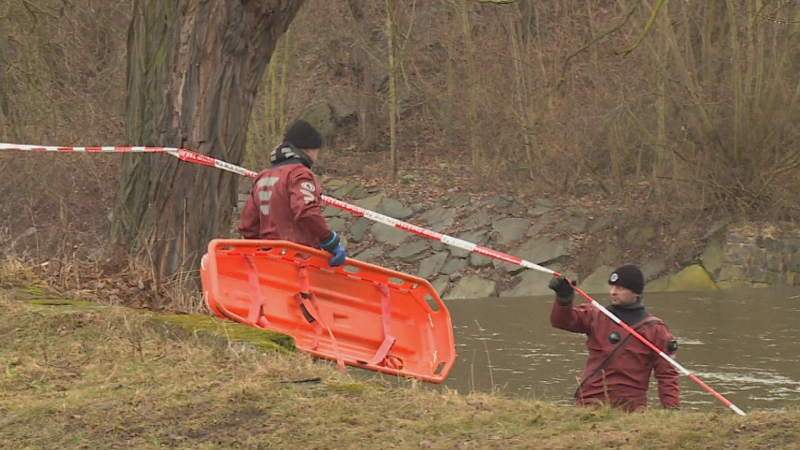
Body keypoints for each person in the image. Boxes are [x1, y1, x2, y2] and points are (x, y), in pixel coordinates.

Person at [548, 264, 680, 412]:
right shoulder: (595, 315)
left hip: (631, 407)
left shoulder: (655, 329)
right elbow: (562, 321)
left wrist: (671, 409)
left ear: (636, 292)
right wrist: (563, 300)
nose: (613, 292)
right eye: (612, 287)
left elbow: (667, 373)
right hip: (590, 401)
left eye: (620, 288)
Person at [239, 119, 346, 267]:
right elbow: (306, 211)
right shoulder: (300, 174)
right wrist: (330, 240)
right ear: (308, 149)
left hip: (268, 262)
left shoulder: (263, 177)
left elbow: (248, 226)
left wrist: (260, 254)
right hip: (299, 260)